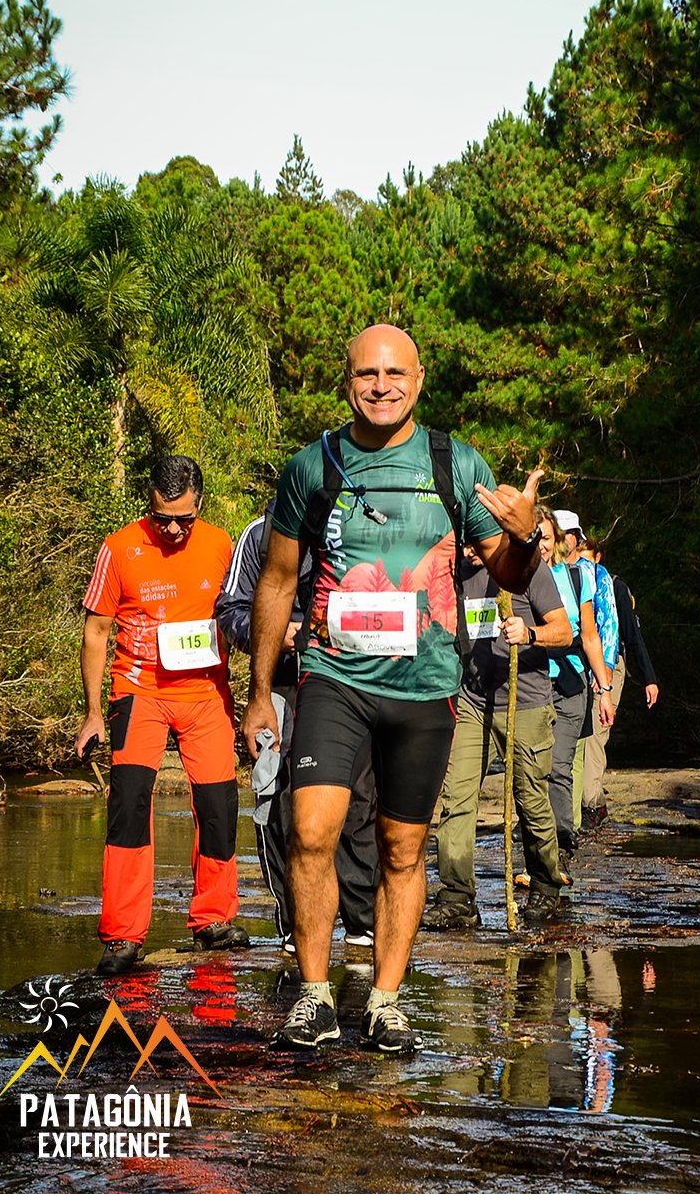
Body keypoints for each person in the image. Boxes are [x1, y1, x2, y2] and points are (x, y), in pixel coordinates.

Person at [242, 323, 546, 1054]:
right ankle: (314, 996)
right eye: (367, 374)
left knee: (403, 850)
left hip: (426, 684)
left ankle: (383, 1001)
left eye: (395, 374)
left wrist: (528, 534)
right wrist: (257, 691)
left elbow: (507, 572)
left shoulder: (452, 460)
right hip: (333, 675)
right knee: (309, 832)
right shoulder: (313, 465)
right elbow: (279, 579)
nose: (382, 386)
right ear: (346, 381)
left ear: (419, 380)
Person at [74, 455, 248, 976]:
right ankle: (124, 935)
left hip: (206, 694)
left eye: (184, 519)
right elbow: (96, 633)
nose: (172, 529)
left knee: (218, 803)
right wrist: (91, 714)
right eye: (161, 518)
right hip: (138, 690)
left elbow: (245, 611)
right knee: (129, 805)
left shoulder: (222, 545)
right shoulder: (120, 547)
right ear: (148, 503)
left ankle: (213, 919)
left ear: (201, 506)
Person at [215, 503, 379, 954]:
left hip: (350, 681)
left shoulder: (361, 528)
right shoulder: (259, 535)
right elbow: (229, 611)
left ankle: (362, 922)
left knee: (359, 798)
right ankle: (294, 925)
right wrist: (275, 632)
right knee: (279, 799)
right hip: (281, 683)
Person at [423, 546, 573, 929]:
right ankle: (457, 896)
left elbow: (565, 631)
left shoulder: (526, 569)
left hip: (525, 702)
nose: (470, 549)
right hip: (473, 699)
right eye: (465, 541)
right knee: (456, 796)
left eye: (478, 540)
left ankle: (545, 885)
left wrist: (531, 633)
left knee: (530, 798)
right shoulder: (453, 571)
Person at [537, 506, 615, 881]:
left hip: (570, 684)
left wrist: (604, 688)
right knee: (534, 769)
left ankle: (562, 844)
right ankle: (538, 848)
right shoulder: (516, 577)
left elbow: (591, 635)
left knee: (559, 765)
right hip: (532, 684)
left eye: (549, 538)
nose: (543, 546)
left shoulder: (578, 576)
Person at [577, 537, 659, 829]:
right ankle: (591, 802)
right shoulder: (571, 580)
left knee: (596, 736)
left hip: (610, 665)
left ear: (598, 557)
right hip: (578, 664)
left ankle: (591, 805)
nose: (583, 564)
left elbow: (632, 635)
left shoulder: (615, 587)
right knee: (579, 735)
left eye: (588, 558)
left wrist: (649, 678)